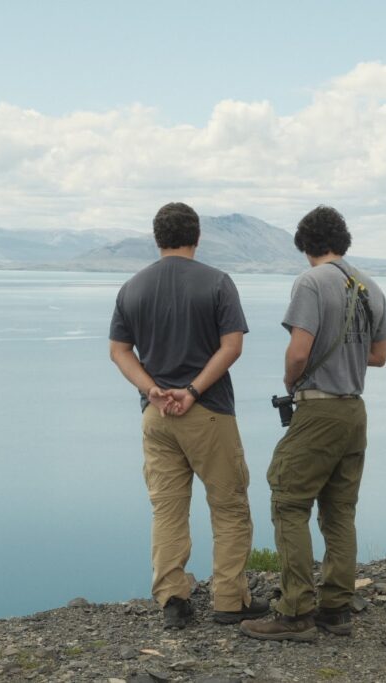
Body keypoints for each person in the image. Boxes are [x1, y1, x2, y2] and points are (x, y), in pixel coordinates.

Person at [108, 202, 269, 629]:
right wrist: (194, 390)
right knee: (230, 507)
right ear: (197, 237)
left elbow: (119, 351)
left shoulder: (132, 287)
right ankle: (230, 602)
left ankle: (173, 602)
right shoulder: (217, 282)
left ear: (156, 238)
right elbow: (231, 346)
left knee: (167, 510)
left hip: (156, 415)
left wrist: (151, 389)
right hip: (209, 412)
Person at [240, 205, 386, 642]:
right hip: (353, 411)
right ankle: (336, 609)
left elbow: (299, 351)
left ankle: (295, 612)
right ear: (342, 241)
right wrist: (345, 356)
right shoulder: (370, 286)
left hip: (319, 408)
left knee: (288, 499)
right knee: (339, 510)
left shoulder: (311, 282)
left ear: (306, 246)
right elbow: (379, 356)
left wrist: (290, 379)